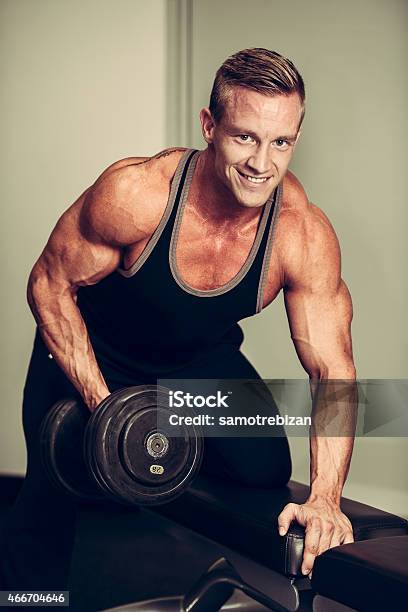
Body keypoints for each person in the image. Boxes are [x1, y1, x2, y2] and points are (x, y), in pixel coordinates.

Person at [1, 48, 356, 593]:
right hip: (98, 352)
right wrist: (106, 410)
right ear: (209, 126)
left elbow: (333, 371)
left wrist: (325, 499)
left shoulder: (301, 234)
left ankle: (164, 525)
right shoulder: (137, 195)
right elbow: (48, 285)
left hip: (195, 364)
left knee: (260, 467)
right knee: (53, 490)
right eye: (245, 137)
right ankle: (29, 600)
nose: (262, 163)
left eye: (280, 142)